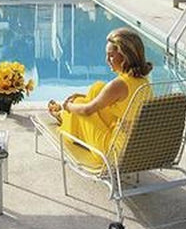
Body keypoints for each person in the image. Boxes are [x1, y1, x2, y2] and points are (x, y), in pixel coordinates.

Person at [47, 27, 153, 155]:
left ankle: (63, 115)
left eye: (111, 56)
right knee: (98, 88)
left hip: (113, 149)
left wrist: (68, 106)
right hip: (133, 142)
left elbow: (87, 111)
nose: (107, 60)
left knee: (79, 104)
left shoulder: (119, 85)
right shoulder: (143, 79)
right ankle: (67, 116)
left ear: (125, 56)